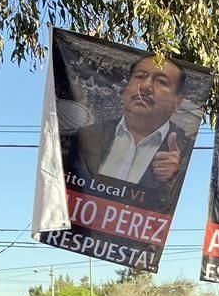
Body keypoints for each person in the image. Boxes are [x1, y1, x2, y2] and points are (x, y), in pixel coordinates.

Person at [67, 55, 188, 193]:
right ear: (125, 88)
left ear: (178, 101)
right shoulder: (88, 136)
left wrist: (173, 178)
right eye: (139, 76)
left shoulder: (186, 154)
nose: (145, 86)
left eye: (161, 81)